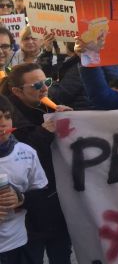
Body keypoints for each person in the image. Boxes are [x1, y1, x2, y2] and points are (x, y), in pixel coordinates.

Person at [1, 63, 73, 264]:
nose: (44, 88)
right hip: (29, 216)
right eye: (37, 84)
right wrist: (43, 133)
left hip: (55, 205)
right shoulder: (9, 115)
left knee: (61, 255)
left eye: (47, 82)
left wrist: (71, 118)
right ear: (16, 91)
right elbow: (17, 152)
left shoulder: (47, 104)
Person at [0, 95, 49, 264]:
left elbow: (41, 194)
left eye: (7, 117)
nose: (4, 123)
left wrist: (21, 198)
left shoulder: (26, 152)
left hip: (19, 243)